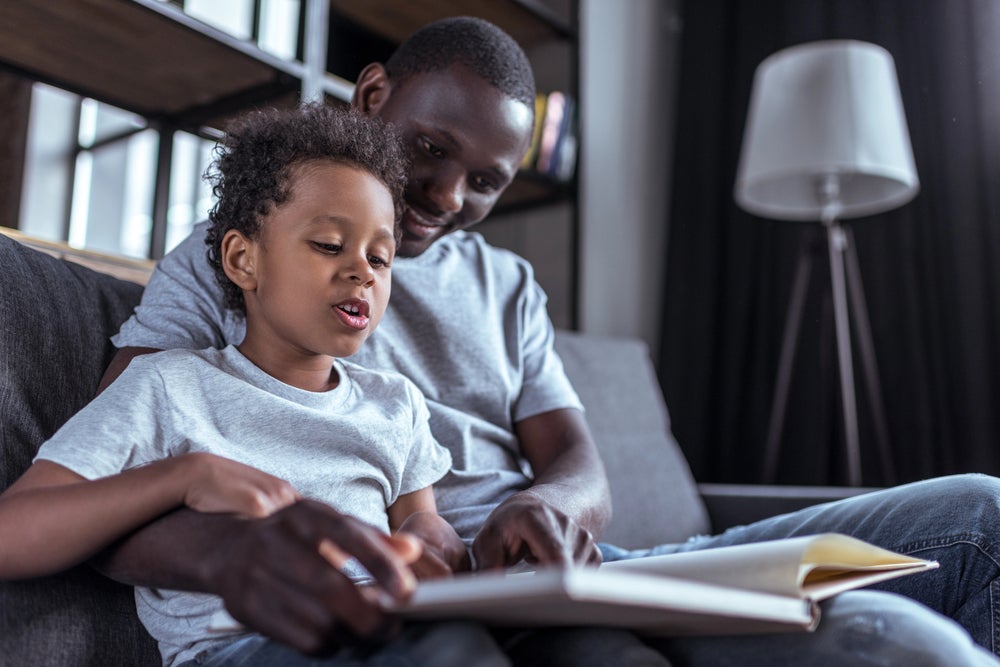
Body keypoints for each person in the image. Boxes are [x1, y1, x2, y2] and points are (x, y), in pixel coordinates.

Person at [97, 15, 1000, 667]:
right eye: (428, 149)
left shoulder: (508, 284)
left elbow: (575, 457)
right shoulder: (251, 255)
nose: (449, 196)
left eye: (485, 181)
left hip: (579, 570)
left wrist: (558, 510)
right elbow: (105, 479)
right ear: (372, 95)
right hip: (407, 588)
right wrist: (226, 552)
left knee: (980, 516)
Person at [0, 103, 513, 667]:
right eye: (328, 245)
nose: (362, 272)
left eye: (380, 257)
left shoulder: (396, 404)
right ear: (244, 259)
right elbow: (12, 531)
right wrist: (184, 477)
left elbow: (419, 519)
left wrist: (432, 542)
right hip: (238, 650)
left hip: (383, 627)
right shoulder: (169, 386)